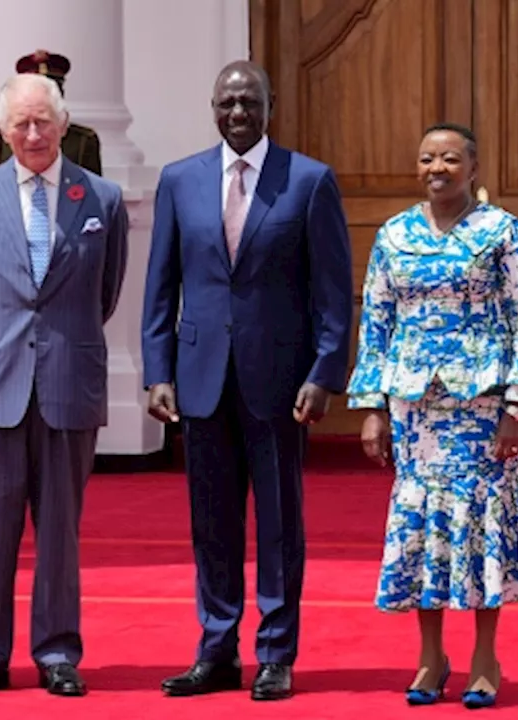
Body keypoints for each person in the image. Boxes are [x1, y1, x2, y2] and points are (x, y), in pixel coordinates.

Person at [140, 60, 353, 702]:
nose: (238, 114)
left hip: (280, 383)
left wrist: (324, 371)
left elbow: (334, 293)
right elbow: (161, 285)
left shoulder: (309, 181)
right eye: (227, 103)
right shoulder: (180, 180)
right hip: (201, 379)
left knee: (281, 524)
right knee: (212, 523)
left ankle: (276, 653)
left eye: (249, 102)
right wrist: (157, 373)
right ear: (212, 107)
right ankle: (217, 649)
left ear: (271, 105)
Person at [347, 122, 518, 709]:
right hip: (415, 410)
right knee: (423, 529)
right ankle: (430, 657)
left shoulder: (503, 232)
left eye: (450, 159)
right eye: (427, 159)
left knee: (480, 523)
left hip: (482, 405)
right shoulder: (395, 234)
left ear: (474, 168)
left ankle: (486, 656)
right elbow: (377, 322)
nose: (438, 168)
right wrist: (372, 408)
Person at [0, 72, 128, 698]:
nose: (32, 134)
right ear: (2, 129)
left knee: (59, 533)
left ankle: (56, 652)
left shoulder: (100, 198)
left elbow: (104, 293)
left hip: (67, 385)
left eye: (43, 121)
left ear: (64, 123)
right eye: (20, 123)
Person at [0, 49, 103, 175]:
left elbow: (91, 188)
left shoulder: (82, 140)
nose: (33, 136)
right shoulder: (9, 135)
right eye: (23, 124)